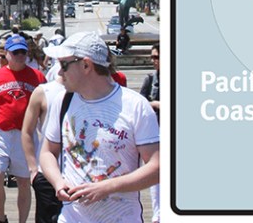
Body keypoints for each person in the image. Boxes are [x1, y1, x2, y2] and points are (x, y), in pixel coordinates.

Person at [40, 32, 159, 222]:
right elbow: (47, 152)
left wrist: (108, 187)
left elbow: (158, 167)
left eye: (64, 65)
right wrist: (58, 182)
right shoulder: (63, 101)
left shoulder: (135, 105)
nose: (59, 73)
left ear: (86, 65)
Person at [0, 34, 46, 223]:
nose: (19, 56)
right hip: (0, 133)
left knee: (24, 182)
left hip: (26, 135)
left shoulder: (38, 77)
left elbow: (47, 109)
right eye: (15, 52)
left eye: (23, 52)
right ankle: (1, 218)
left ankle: (22, 221)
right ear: (6, 54)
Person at [21, 76, 67, 223]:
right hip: (47, 172)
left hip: (79, 175)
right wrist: (33, 169)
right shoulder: (43, 91)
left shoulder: (88, 92)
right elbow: (27, 130)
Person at [140, 44, 161, 223]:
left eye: (157, 57)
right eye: (152, 57)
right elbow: (142, 101)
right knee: (156, 171)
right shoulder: (150, 79)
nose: (154, 61)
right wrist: (156, 104)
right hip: (156, 130)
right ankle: (158, 213)